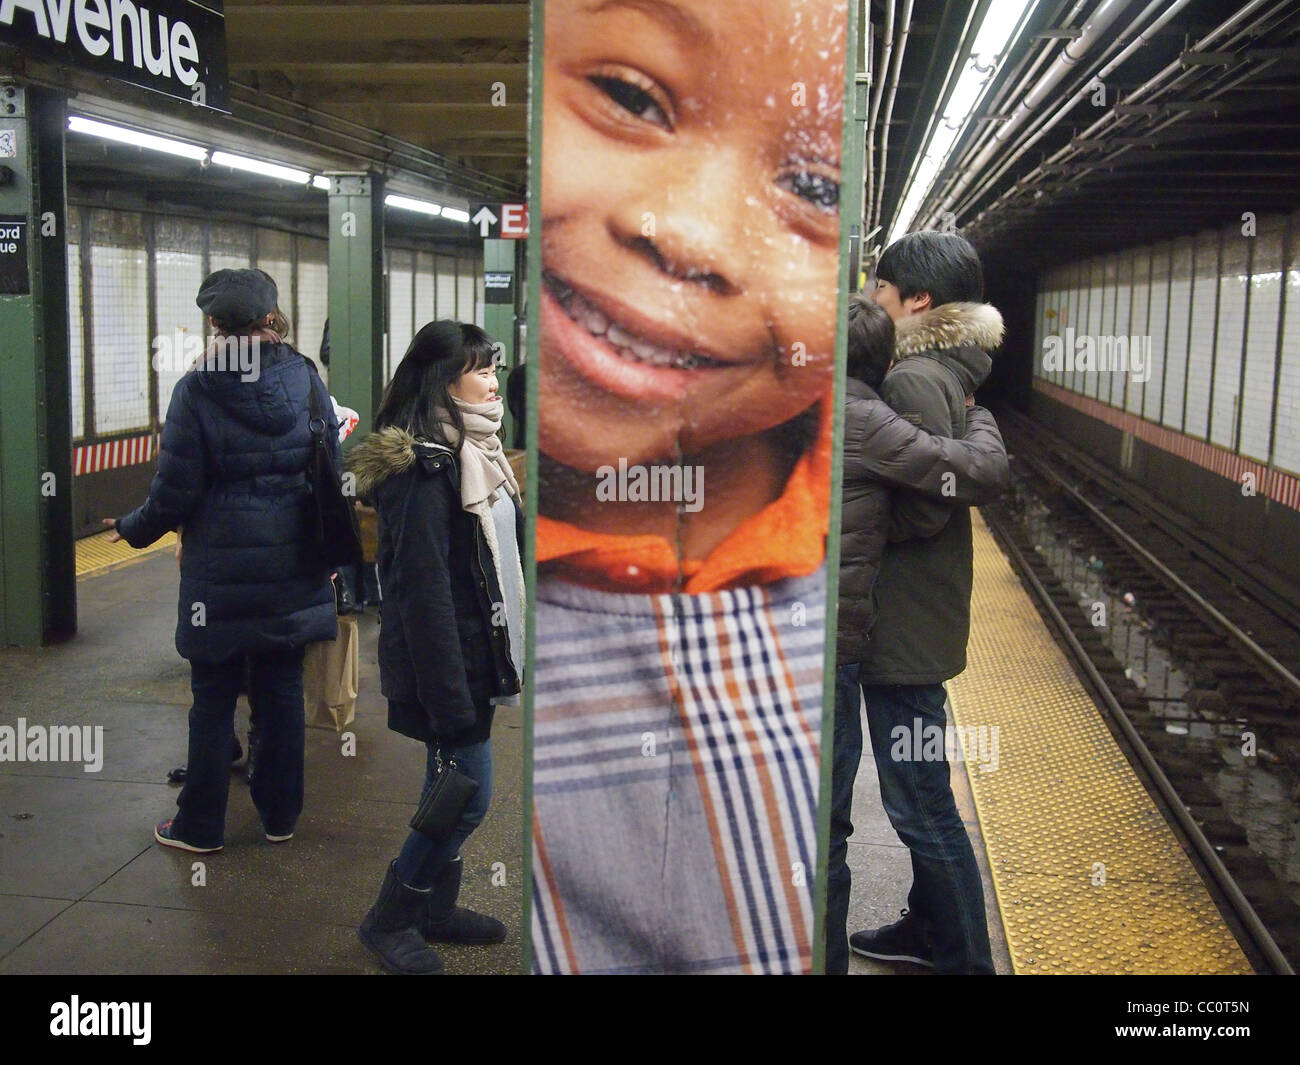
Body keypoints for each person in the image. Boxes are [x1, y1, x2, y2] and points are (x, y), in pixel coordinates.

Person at [105, 268, 339, 853]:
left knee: (212, 697)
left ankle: (201, 827)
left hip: (219, 575)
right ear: (272, 316)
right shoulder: (306, 378)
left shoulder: (196, 390)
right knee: (281, 688)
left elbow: (175, 491)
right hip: (291, 564)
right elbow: (327, 468)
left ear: (214, 323)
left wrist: (134, 530)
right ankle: (280, 817)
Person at [826, 294, 1008, 974]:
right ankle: (941, 941)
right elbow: (969, 470)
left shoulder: (908, 384)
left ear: (920, 298)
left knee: (903, 805)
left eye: (888, 289)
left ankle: (957, 954)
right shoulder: (890, 400)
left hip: (882, 640)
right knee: (895, 806)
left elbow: (939, 502)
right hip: (865, 639)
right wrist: (983, 419)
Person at [347, 320, 524, 976]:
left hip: (477, 650)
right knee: (469, 793)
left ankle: (434, 906)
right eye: (480, 369)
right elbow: (422, 595)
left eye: (492, 368)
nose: (493, 380)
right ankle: (390, 916)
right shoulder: (427, 470)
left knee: (445, 782)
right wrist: (451, 694)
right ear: (444, 383)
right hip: (449, 664)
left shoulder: (474, 449)